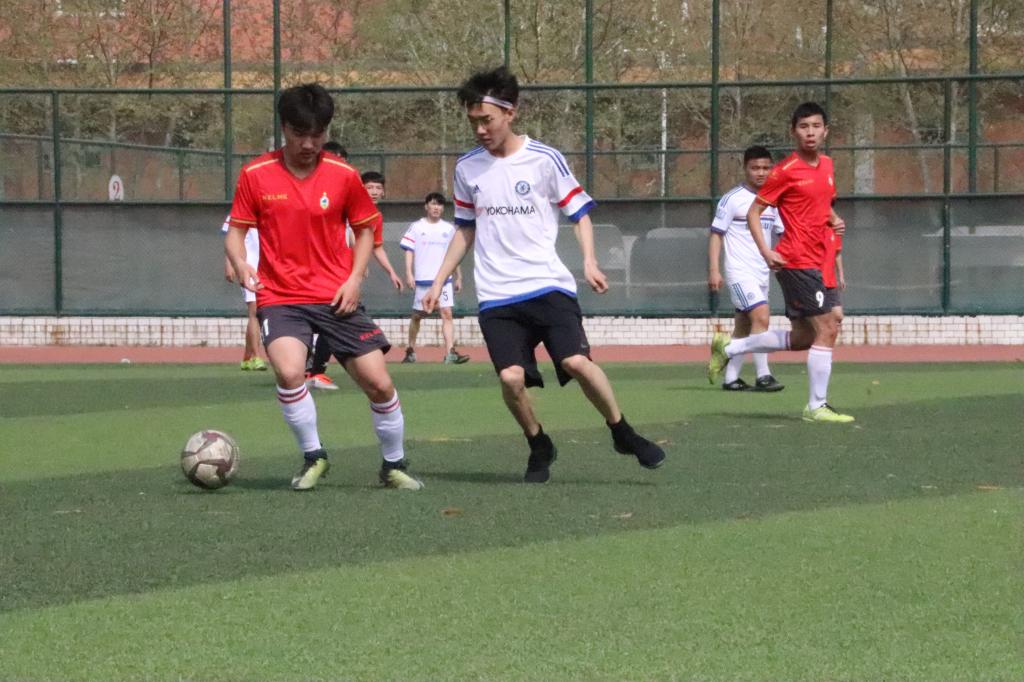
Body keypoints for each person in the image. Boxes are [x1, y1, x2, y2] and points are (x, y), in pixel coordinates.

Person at [422, 66, 667, 483]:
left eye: (487, 120)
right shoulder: (466, 168)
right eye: (473, 121)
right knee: (510, 378)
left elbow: (580, 213)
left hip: (547, 284)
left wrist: (589, 261)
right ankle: (538, 443)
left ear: (510, 112)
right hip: (497, 293)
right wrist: (439, 278)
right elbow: (464, 229)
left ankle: (621, 431)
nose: (480, 130)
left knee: (576, 361)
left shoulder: (544, 159)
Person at [225, 83, 423, 491]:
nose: (309, 144)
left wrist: (354, 279)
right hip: (281, 296)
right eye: (300, 134)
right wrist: (241, 262)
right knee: (289, 371)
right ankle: (314, 456)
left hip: (336, 295)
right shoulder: (256, 174)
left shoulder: (343, 175)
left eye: (317, 135)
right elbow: (236, 232)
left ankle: (393, 465)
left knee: (380, 383)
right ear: (284, 128)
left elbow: (365, 230)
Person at [708, 102, 853, 423]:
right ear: (793, 132)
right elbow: (754, 212)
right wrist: (766, 251)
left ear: (826, 131)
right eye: (804, 127)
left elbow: (821, 205)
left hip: (819, 260)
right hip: (797, 260)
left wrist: (833, 219)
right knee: (828, 327)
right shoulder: (785, 171)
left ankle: (729, 349)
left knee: (804, 337)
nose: (810, 132)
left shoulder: (828, 166)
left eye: (816, 126)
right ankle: (816, 406)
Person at [707, 145, 785, 392]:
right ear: (745, 168)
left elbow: (782, 234)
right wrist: (714, 270)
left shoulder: (773, 201)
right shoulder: (732, 199)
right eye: (755, 168)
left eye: (766, 168)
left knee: (743, 324)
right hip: (739, 272)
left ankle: (731, 377)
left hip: (762, 272)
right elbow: (716, 234)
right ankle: (764, 375)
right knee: (761, 317)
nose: (761, 173)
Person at [400, 192, 470, 365]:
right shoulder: (417, 227)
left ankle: (450, 353)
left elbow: (454, 255)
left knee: (447, 313)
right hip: (423, 280)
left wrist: (458, 276)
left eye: (439, 204)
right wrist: (409, 273)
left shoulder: (449, 229)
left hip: (444, 280)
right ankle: (410, 349)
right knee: (417, 316)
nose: (436, 207)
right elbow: (409, 250)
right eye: (433, 204)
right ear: (426, 206)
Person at [221, 215, 267, 371]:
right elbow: (231, 237)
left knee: (258, 312)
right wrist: (230, 264)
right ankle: (257, 357)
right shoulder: (239, 211)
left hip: (268, 267)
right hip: (248, 266)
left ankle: (247, 357)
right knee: (255, 311)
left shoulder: (271, 207)